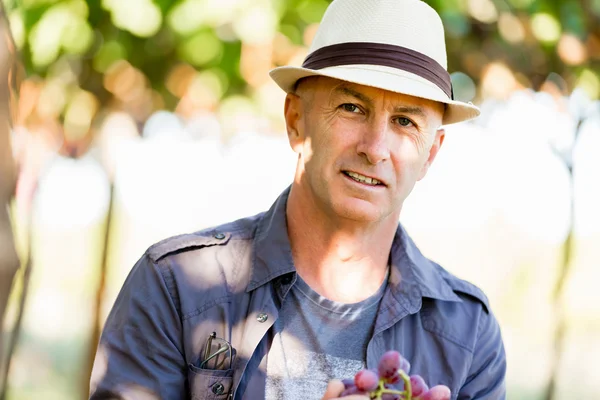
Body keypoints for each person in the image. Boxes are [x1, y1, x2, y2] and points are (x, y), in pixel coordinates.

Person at [89, 0, 506, 399]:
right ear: (295, 120)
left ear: (430, 153)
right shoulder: (176, 288)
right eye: (351, 107)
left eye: (404, 121)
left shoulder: (468, 333)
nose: (375, 147)